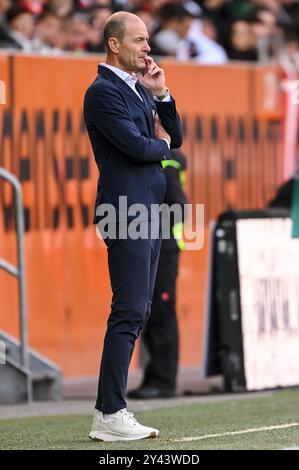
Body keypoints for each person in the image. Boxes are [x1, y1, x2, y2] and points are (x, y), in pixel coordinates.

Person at [84, 11, 182, 442]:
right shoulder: (102, 92)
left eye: (148, 39)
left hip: (147, 208)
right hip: (125, 210)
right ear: (114, 44)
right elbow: (140, 147)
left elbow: (173, 137)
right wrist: (159, 145)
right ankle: (110, 411)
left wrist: (161, 94)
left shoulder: (139, 88)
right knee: (128, 309)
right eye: (139, 40)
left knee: (139, 309)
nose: (147, 47)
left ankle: (111, 409)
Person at [128, 148, 188, 399]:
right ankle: (155, 377)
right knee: (152, 314)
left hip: (164, 249)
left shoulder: (166, 158)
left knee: (161, 313)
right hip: (159, 246)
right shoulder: (160, 155)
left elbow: (177, 205)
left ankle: (163, 380)